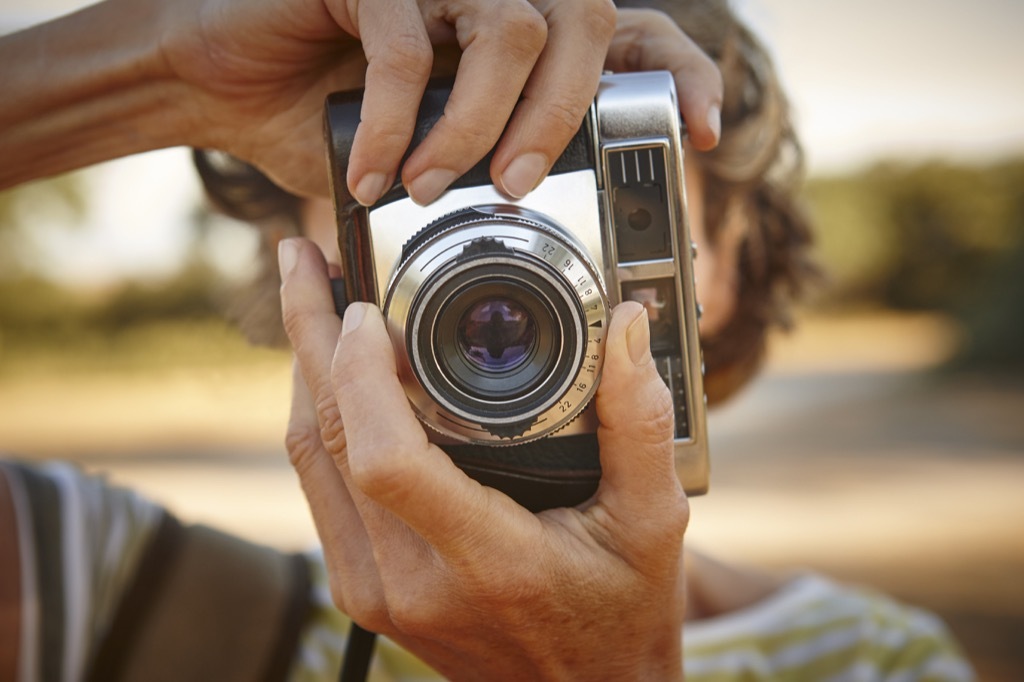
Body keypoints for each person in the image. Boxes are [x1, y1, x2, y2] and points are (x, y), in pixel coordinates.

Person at [0, 0, 974, 680]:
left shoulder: (872, 664)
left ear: (721, 258)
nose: (504, 278)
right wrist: (170, 66)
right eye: (416, 213)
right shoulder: (127, 606)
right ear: (301, 254)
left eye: (601, 205)